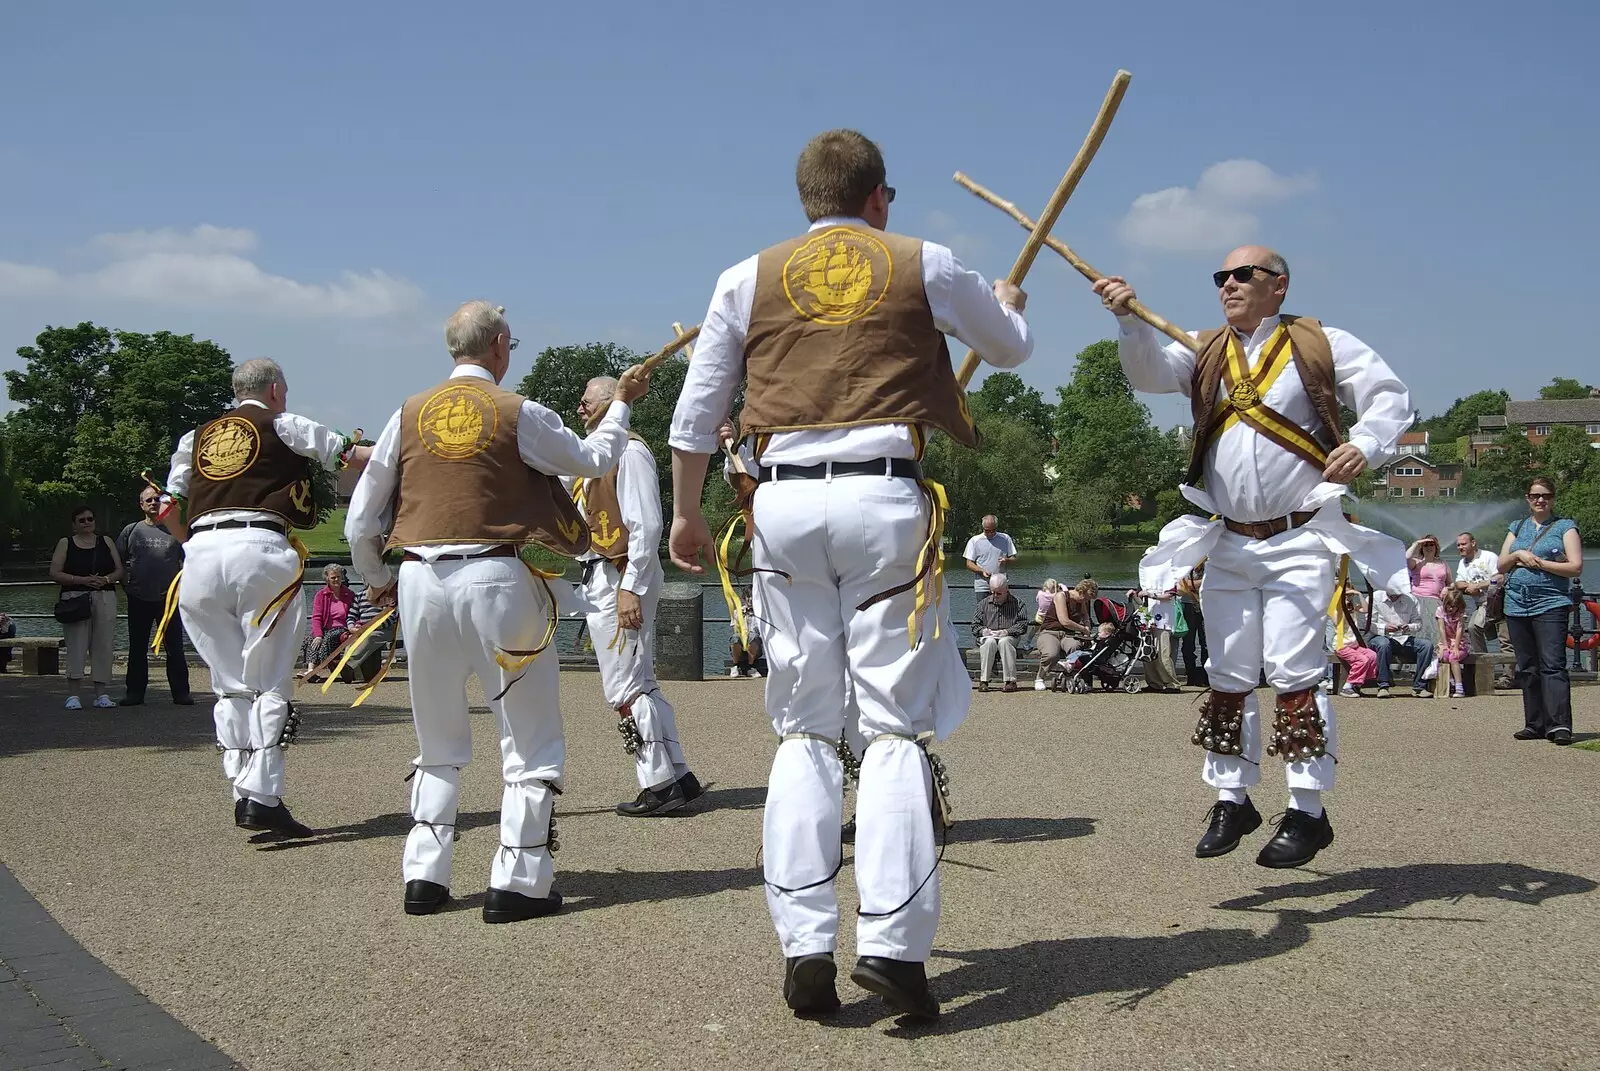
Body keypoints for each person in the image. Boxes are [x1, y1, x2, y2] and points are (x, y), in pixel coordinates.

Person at [667, 129, 1032, 1020]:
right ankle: (895, 948)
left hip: (783, 504)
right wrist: (1008, 302)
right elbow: (1010, 346)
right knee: (894, 728)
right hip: (883, 500)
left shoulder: (743, 277)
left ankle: (805, 946)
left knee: (803, 724)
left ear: (805, 200)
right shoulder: (924, 261)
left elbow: (694, 415)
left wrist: (684, 510)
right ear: (879, 197)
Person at [1094, 245, 1411, 869]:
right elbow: (1148, 374)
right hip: (1228, 538)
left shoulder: (1319, 343)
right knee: (1227, 670)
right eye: (1222, 276)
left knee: (1295, 671)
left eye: (1244, 275)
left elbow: (1389, 396)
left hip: (1299, 537)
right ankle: (1232, 798)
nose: (1229, 285)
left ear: (1280, 286)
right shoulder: (1204, 346)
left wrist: (1367, 446)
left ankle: (1307, 810)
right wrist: (1128, 320)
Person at [346, 300, 648, 921]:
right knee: (529, 737)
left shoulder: (406, 414)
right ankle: (519, 878)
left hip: (420, 581)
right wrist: (622, 404)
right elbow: (593, 461)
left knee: (437, 738)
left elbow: (360, 519)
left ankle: (424, 877)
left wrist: (377, 582)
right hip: (496, 576)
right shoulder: (518, 413)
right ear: (501, 347)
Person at [166, 358, 369, 838]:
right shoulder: (283, 424)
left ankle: (241, 789)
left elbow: (166, 507)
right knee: (272, 681)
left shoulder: (195, 438)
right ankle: (263, 794)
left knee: (230, 684)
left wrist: (193, 547)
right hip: (260, 549)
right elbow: (348, 455)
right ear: (276, 389)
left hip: (199, 554)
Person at [569, 375, 700, 817]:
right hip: (605, 574)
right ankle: (678, 772)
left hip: (620, 575)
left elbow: (646, 525)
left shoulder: (630, 450)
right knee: (640, 681)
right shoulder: (598, 455)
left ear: (612, 400)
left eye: (587, 398)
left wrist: (630, 588)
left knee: (624, 687)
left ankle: (657, 783)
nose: (580, 405)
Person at [1499, 476, 1584, 745]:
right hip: (1516, 604)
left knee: (1553, 665)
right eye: (1535, 495)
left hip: (1550, 604)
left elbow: (1575, 567)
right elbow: (1502, 565)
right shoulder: (1518, 526)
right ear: (1527, 499)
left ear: (1553, 498)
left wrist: (1540, 564)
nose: (1540, 500)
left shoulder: (1565, 527)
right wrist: (1517, 556)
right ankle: (1534, 723)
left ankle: (1559, 725)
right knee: (1527, 666)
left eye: (1545, 495)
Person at [116, 486, 192, 706]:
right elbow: (117, 559)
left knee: (175, 647)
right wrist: (125, 584)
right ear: (141, 505)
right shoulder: (131, 531)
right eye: (148, 500)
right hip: (138, 597)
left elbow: (190, 560)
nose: (153, 502)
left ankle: (181, 693)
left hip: (169, 599)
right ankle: (135, 693)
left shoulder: (175, 531)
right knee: (137, 648)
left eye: (157, 499)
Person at [49, 505, 123, 710]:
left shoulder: (105, 542)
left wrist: (106, 579)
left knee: (103, 646)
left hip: (105, 596)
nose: (87, 523)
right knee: (76, 645)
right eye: (81, 520)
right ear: (74, 525)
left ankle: (101, 694)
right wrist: (81, 580)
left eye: (90, 519)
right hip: (76, 598)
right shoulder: (66, 543)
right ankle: (73, 695)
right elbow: (55, 572)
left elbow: (119, 570)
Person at [1453, 531, 1511, 670]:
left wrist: (1478, 586)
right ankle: (1484, 667)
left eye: (1463, 544)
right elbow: (1459, 583)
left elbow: (1499, 578)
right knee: (1473, 628)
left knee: (1505, 639)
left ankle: (1508, 676)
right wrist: (1469, 588)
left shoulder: (1488, 556)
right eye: (1458, 545)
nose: (1460, 547)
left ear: (1473, 543)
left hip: (1499, 601)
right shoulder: (1463, 563)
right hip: (1482, 605)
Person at [1368, 590, 1437, 698]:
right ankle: (1383, 686)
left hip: (1404, 638)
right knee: (1384, 644)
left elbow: (1418, 623)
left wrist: (1409, 627)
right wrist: (1384, 627)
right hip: (1380, 637)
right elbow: (1368, 624)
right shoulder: (1375, 597)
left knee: (1426, 645)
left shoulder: (1411, 599)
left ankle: (1419, 687)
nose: (1394, 596)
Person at [971, 573, 1027, 692]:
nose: (995, 596)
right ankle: (984, 680)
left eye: (999, 593)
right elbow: (975, 625)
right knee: (989, 642)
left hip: (1010, 636)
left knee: (1004, 642)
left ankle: (1010, 681)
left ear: (1007, 590)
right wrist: (983, 631)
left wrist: (1007, 631)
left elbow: (1023, 625)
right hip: (989, 636)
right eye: (993, 592)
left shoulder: (1018, 604)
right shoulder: (983, 604)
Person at [1032, 579, 1091, 690]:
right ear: (1081, 592)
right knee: (1051, 654)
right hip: (1050, 631)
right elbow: (1065, 621)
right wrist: (1083, 629)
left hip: (1068, 634)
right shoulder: (1061, 596)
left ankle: (1070, 674)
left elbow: (1085, 615)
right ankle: (1040, 677)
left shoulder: (1081, 601)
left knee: (1075, 647)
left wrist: (1087, 624)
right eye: (1087, 598)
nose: (1087, 601)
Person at [304, 564, 357, 682]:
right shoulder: (321, 595)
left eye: (338, 577)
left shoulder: (349, 594)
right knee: (312, 639)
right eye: (333, 577)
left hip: (343, 628)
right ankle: (310, 670)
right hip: (325, 628)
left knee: (328, 638)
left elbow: (355, 614)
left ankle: (316, 671)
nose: (336, 580)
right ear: (327, 578)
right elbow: (316, 617)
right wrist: (318, 635)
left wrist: (353, 627)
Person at [1329, 590, 1378, 697]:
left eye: (1350, 595)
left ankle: (1357, 684)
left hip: (1354, 644)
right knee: (1362, 660)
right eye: (1346, 595)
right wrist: (1343, 603)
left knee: (1372, 656)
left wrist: (1359, 595)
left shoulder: (1352, 607)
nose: (1348, 597)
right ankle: (1347, 686)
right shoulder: (1334, 608)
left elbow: (1366, 610)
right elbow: (1337, 621)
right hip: (1341, 645)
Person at [963, 516, 1016, 595]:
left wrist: (1007, 560)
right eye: (987, 531)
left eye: (993, 530)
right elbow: (969, 563)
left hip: (1001, 585)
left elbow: (1014, 559)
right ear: (983, 528)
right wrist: (982, 571)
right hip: (982, 587)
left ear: (996, 527)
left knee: (1005, 608)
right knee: (983, 607)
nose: (990, 533)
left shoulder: (1005, 538)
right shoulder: (974, 541)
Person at [1175, 562, 1209, 686]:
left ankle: (1206, 678)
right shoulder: (1185, 564)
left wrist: (1193, 584)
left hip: (1206, 605)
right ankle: (1191, 676)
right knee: (1188, 644)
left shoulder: (1209, 563)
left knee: (1206, 644)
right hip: (1188, 606)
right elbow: (1183, 586)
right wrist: (1204, 580)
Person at [1437, 588, 1468, 698]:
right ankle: (1450, 682)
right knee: (1444, 656)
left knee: (1453, 657)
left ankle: (1459, 687)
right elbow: (1441, 629)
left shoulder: (1461, 613)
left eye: (1454, 606)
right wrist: (1445, 645)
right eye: (1449, 605)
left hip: (1459, 642)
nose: (1451, 608)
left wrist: (1455, 646)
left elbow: (1460, 629)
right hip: (1446, 640)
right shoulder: (1440, 610)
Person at [1407, 535, 1451, 600]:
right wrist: (1416, 543)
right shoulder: (1416, 562)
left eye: (1431, 545)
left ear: (1436, 547)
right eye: (1426, 545)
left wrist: (1447, 588)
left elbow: (1450, 583)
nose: (1429, 547)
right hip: (1418, 599)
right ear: (1422, 548)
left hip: (1437, 600)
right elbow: (1407, 557)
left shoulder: (1443, 563)